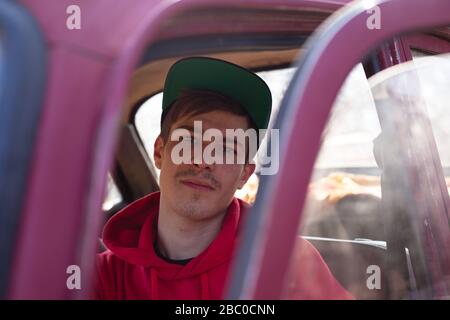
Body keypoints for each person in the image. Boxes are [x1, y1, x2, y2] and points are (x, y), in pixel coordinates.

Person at [93, 57, 352, 300]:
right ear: (160, 152)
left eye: (226, 149)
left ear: (245, 174)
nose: (204, 160)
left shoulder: (286, 262)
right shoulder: (106, 276)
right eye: (190, 141)